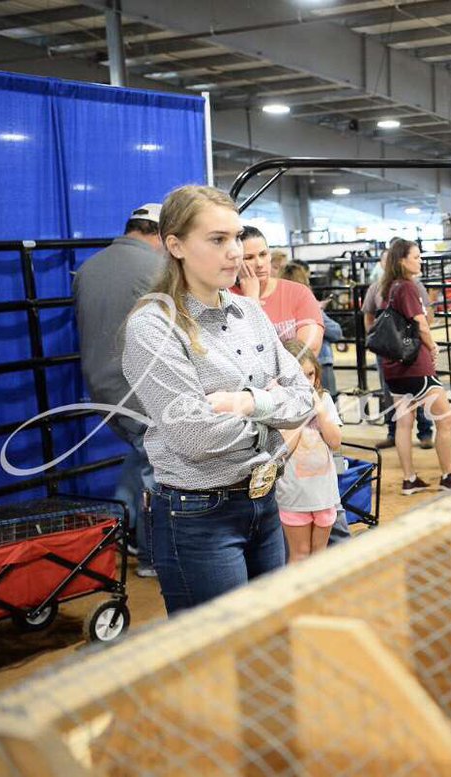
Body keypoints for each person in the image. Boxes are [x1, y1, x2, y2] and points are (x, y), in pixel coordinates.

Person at [121, 185, 316, 615]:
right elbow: (195, 436)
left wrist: (247, 403)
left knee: (267, 633)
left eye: (237, 237)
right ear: (175, 245)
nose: (237, 253)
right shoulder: (153, 327)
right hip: (199, 516)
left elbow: (305, 396)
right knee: (220, 652)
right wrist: (274, 417)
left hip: (264, 502)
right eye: (218, 240)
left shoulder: (250, 314)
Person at [73, 203, 164, 578]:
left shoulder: (88, 268)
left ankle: (119, 532)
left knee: (140, 453)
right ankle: (152, 557)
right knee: (160, 461)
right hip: (140, 385)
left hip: (100, 387)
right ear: (160, 235)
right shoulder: (158, 268)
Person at [375, 238, 451, 495]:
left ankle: (409, 479)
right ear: (402, 260)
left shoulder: (388, 287)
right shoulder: (407, 288)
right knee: (446, 419)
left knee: (404, 422)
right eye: (416, 256)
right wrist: (433, 346)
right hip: (415, 367)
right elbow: (421, 323)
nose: (420, 260)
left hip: (393, 368)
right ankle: (447, 475)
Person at [275, 341, 342, 563]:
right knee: (300, 554)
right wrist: (302, 414)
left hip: (324, 493)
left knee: (320, 556)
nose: (306, 382)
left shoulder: (325, 401)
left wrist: (320, 411)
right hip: (294, 495)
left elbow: (335, 442)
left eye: (310, 375)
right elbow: (285, 450)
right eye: (299, 376)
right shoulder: (279, 405)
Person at [362, 268, 434, 450]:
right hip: (389, 349)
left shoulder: (415, 286)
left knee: (418, 389)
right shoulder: (377, 287)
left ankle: (425, 431)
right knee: (391, 391)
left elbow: (427, 315)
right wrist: (378, 338)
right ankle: (393, 432)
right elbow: (369, 314)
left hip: (411, 346)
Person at [231, 226, 323, 354]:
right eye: (249, 257)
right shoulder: (224, 298)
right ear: (235, 260)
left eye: (263, 254)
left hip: (296, 373)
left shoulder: (298, 293)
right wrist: (251, 301)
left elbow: (308, 353)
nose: (259, 263)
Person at [281, 263, 343, 401]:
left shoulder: (281, 307)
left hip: (290, 367)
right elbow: (336, 332)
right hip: (319, 362)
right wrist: (319, 318)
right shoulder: (308, 305)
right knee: (326, 404)